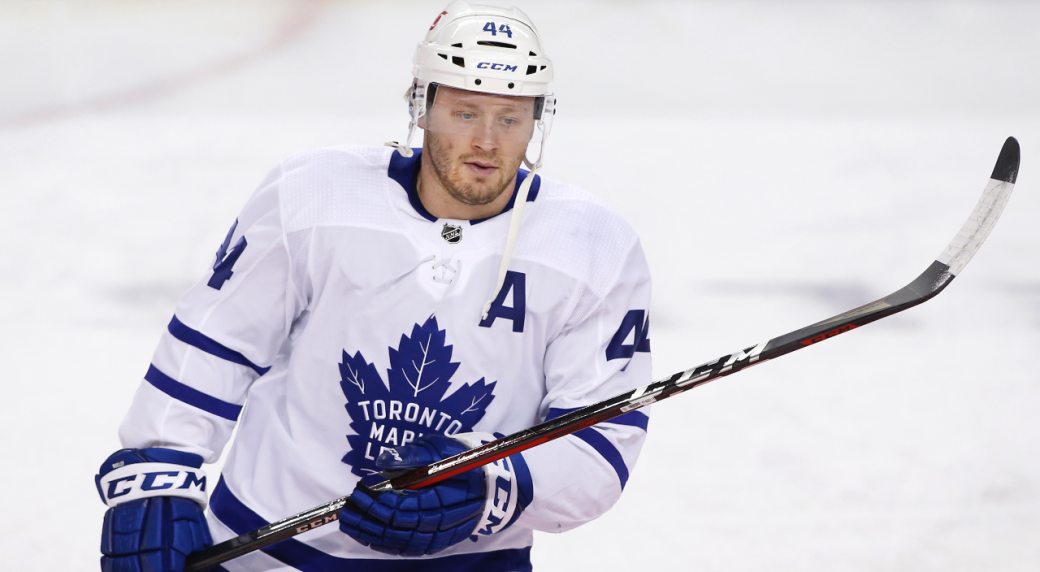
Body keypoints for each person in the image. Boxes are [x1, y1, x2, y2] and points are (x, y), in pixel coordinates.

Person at [95, 2, 653, 571]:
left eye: (510, 119)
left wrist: (485, 479)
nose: (487, 141)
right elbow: (219, 343)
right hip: (270, 552)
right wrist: (159, 469)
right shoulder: (313, 194)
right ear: (421, 103)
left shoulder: (594, 245)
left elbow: (602, 442)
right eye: (465, 113)